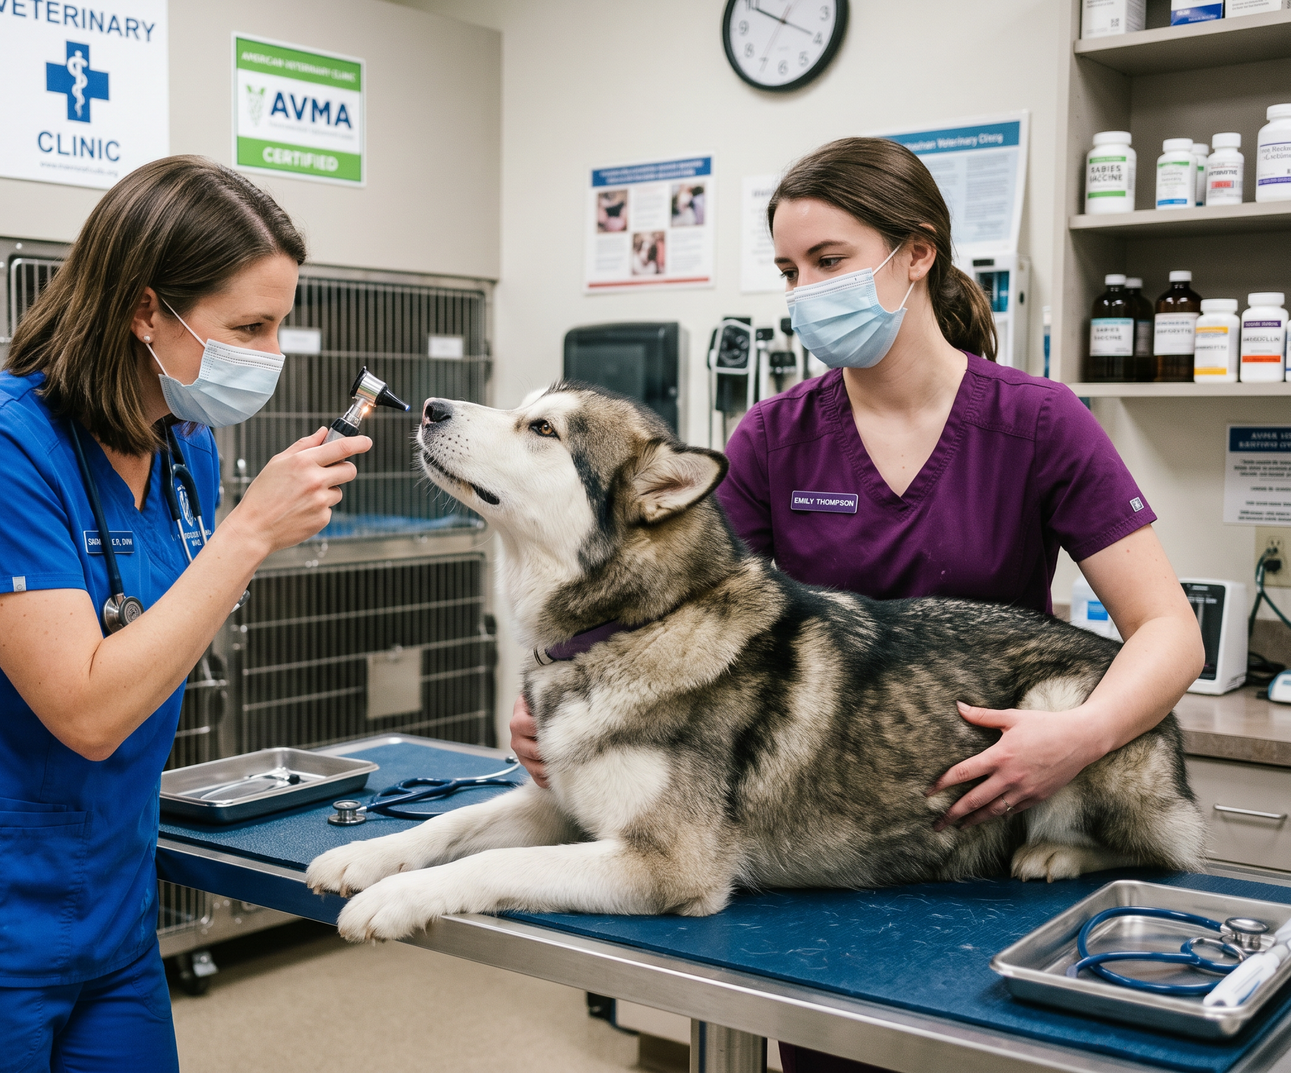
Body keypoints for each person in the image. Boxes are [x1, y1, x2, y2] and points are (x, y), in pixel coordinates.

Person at [508, 137, 1204, 1073]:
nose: (804, 292)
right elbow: (676, 615)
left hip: (1004, 841)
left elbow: (1169, 633)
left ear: (916, 254)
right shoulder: (774, 437)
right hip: (826, 858)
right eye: (790, 270)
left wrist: (1072, 740)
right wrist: (562, 704)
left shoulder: (1040, 422)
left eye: (829, 262)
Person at [0, 156, 371, 1073]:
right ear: (144, 308)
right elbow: (85, 710)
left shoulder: (184, 449)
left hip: (110, 912)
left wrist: (237, 527)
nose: (270, 355)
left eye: (280, 325)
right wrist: (247, 536)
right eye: (249, 326)